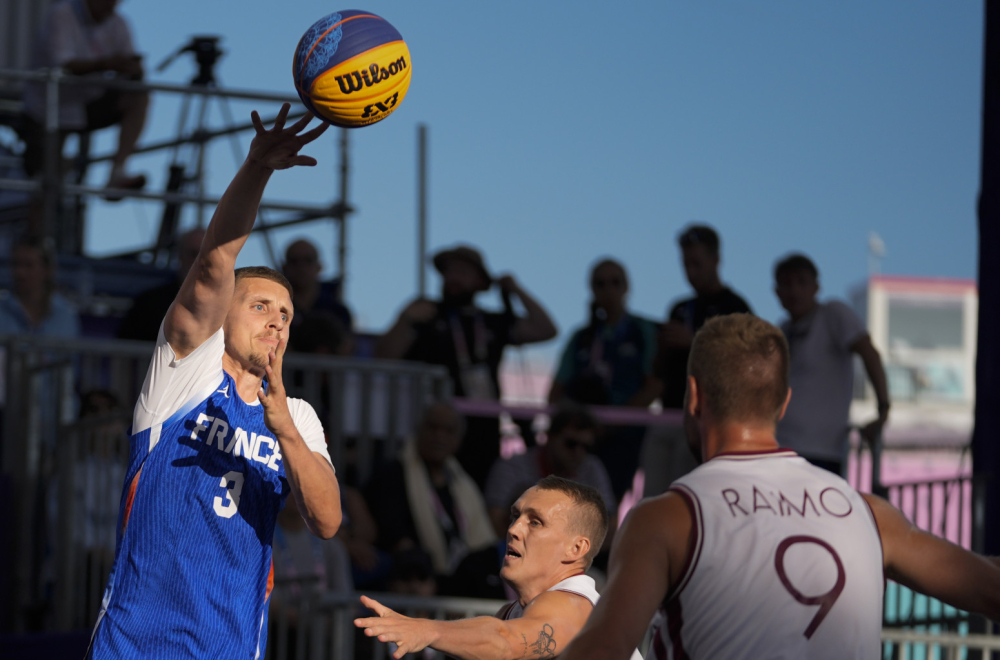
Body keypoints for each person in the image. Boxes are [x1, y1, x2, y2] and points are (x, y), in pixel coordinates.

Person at [560, 314, 1000, 660]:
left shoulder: (666, 519)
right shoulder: (870, 514)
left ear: (693, 396)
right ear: (784, 401)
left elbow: (603, 650)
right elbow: (988, 587)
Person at [86, 104, 342, 659]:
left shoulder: (296, 417)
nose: (277, 320)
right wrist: (258, 168)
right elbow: (212, 264)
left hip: (230, 648)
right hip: (134, 646)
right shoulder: (185, 372)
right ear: (224, 314)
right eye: (260, 306)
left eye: (286, 315)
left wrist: (285, 433)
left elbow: (326, 521)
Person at [354, 476, 642, 660]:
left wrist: (428, 630)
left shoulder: (573, 604)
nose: (514, 529)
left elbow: (505, 641)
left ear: (576, 549)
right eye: (516, 516)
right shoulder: (512, 613)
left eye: (535, 522)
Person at [377, 245, 557, 486]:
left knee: (478, 493)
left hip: (483, 432)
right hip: (435, 425)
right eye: (448, 272)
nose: (453, 278)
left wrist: (516, 290)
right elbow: (384, 357)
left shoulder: (492, 321)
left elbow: (546, 329)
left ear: (480, 281)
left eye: (462, 271)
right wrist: (405, 319)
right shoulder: (426, 313)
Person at [643, 224, 752, 497]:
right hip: (669, 414)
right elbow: (660, 371)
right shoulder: (680, 307)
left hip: (706, 420)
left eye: (697, 263)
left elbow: (743, 364)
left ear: (715, 260)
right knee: (654, 497)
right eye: (686, 264)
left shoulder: (735, 307)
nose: (691, 272)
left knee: (688, 498)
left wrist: (693, 340)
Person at [549, 258, 660, 500]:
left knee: (608, 504)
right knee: (572, 503)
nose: (608, 290)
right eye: (600, 283)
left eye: (615, 282)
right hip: (580, 439)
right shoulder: (582, 336)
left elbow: (654, 386)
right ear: (592, 289)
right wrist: (574, 424)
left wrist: (612, 422)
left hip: (624, 438)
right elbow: (555, 391)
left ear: (626, 287)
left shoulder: (643, 331)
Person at [774, 253, 890, 474]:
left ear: (816, 287)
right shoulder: (782, 330)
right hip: (778, 449)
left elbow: (870, 354)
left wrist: (883, 409)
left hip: (821, 453)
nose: (794, 291)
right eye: (787, 284)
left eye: (801, 282)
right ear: (777, 292)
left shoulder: (832, 314)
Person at [22, 0, 149, 192]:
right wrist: (106, 64)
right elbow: (65, 65)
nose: (111, 6)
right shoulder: (61, 15)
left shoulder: (117, 22)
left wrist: (132, 68)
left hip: (86, 104)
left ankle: (118, 171)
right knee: (43, 184)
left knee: (138, 97)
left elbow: (132, 65)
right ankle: (40, 216)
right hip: (47, 110)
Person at [363, 401, 496, 579]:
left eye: (448, 431)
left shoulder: (464, 484)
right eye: (432, 427)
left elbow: (483, 542)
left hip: (463, 581)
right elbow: (394, 536)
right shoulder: (393, 475)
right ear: (419, 430)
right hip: (414, 582)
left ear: (458, 440)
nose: (439, 437)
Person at [484, 404, 616, 542]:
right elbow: (495, 523)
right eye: (571, 444)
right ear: (549, 437)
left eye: (587, 447)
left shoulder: (591, 467)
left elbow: (609, 527)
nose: (579, 452)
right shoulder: (511, 467)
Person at [116, 228, 205, 341]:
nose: (199, 260)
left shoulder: (229, 304)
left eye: (206, 254)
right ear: (179, 255)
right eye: (193, 254)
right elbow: (126, 347)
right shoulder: (148, 303)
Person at [281, 238, 354, 355]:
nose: (301, 267)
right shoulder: (272, 309)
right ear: (284, 268)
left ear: (319, 267)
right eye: (294, 261)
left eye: (308, 260)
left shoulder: (338, 311)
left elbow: (346, 349)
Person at [0, 234, 79, 337]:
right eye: (16, 264)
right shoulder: (2, 311)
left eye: (29, 265)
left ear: (47, 269)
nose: (20, 272)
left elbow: (71, 352)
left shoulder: (65, 315)